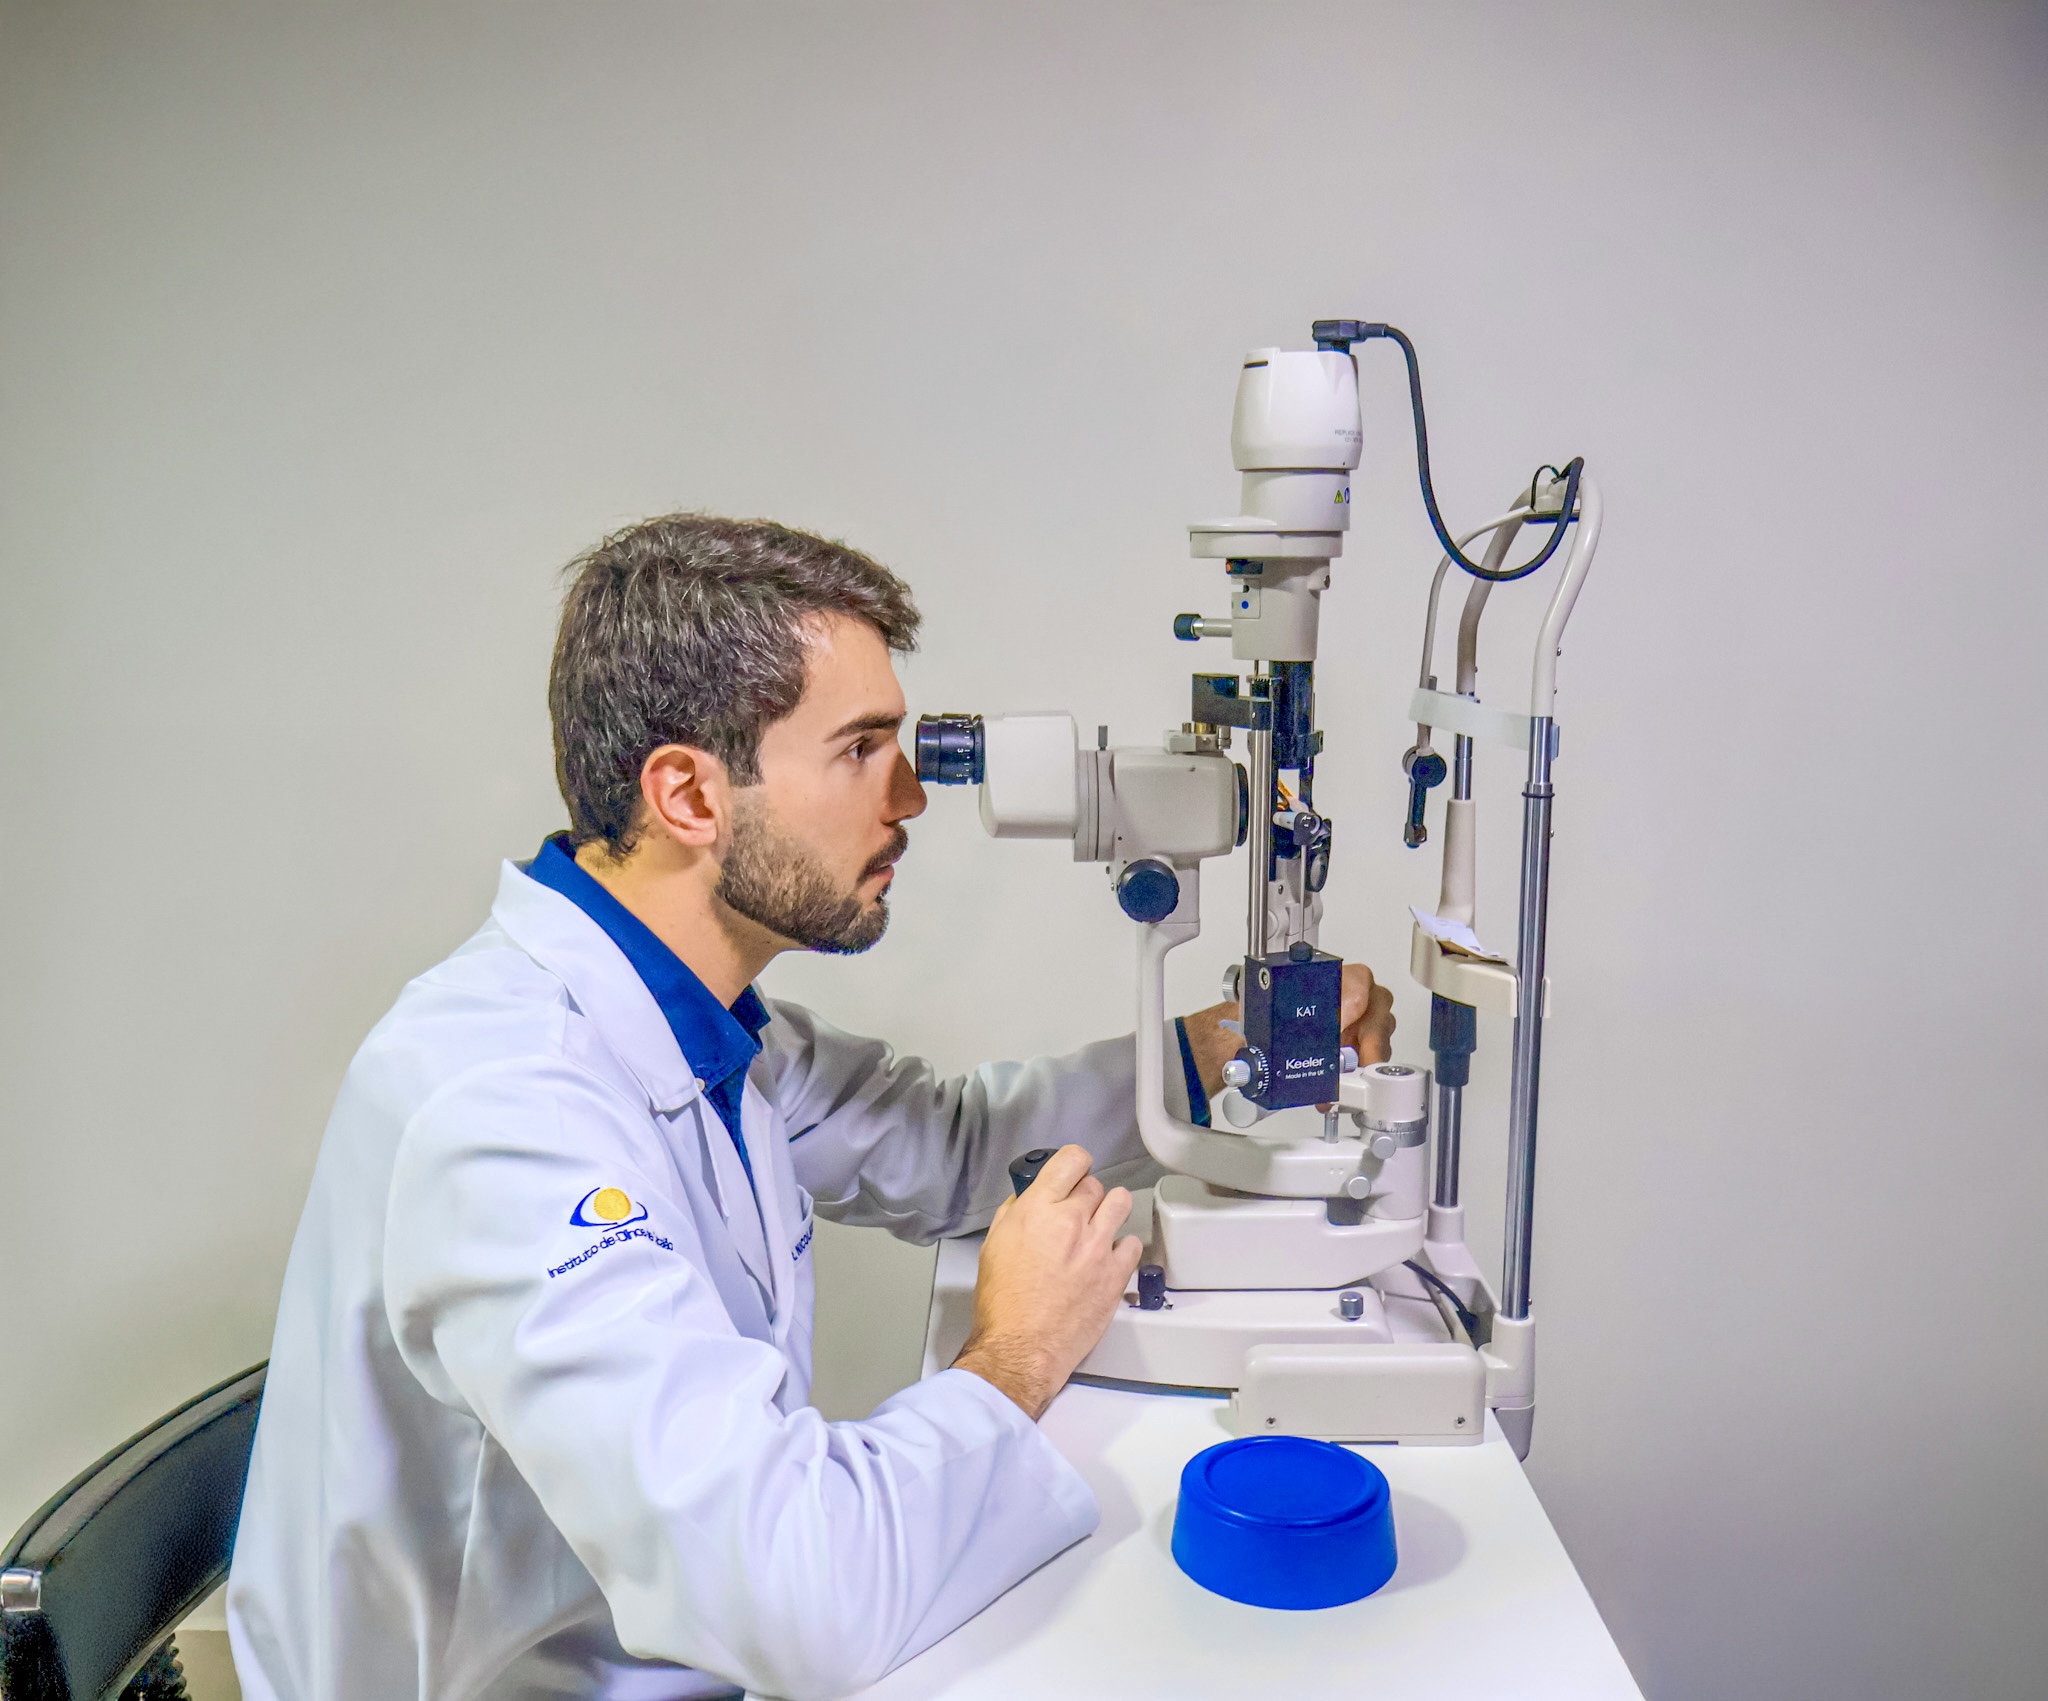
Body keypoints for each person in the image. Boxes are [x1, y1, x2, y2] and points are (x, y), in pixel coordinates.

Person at [227, 514, 1394, 1701]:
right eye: (860, 749)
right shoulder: (508, 1113)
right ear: (688, 794)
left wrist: (1226, 1044)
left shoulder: (698, 1018)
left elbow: (946, 1148)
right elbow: (793, 1593)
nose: (910, 797)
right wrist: (1018, 1353)